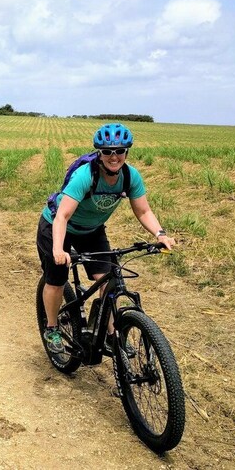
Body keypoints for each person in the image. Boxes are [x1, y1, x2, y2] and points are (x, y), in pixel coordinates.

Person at [36, 123, 175, 354]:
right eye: (108, 151)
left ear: (126, 152)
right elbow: (63, 215)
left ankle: (109, 333)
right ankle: (52, 328)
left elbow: (143, 211)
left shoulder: (130, 176)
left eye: (119, 151)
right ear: (99, 153)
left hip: (92, 230)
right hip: (56, 226)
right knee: (57, 277)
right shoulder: (85, 176)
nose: (114, 156)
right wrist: (59, 250)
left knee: (109, 279)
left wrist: (160, 234)